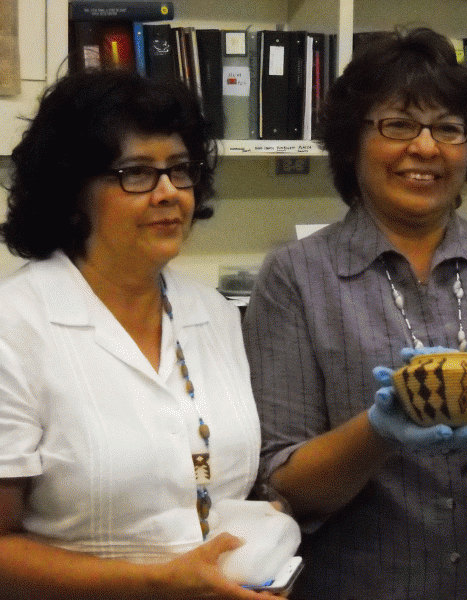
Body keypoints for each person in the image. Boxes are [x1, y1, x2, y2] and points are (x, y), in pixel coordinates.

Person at [243, 27, 467, 600]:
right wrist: (380, 430)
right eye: (398, 125)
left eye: (448, 128)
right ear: (351, 142)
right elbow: (283, 478)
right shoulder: (295, 276)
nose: (427, 148)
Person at [0, 69, 282, 599]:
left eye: (180, 170)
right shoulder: (14, 327)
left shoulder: (214, 314)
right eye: (137, 174)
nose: (169, 193)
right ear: (72, 190)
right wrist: (156, 583)